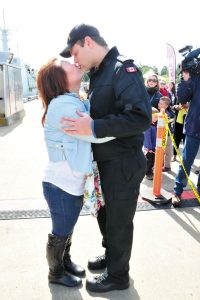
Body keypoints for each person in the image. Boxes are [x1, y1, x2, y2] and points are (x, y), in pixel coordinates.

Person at [59, 23, 151, 293]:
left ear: (88, 41)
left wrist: (95, 127)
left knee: (119, 220)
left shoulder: (124, 69)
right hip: (107, 162)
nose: (75, 60)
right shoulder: (100, 73)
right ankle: (112, 257)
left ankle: (118, 275)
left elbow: (140, 118)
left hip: (123, 161)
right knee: (107, 215)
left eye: (75, 53)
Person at [36, 58, 115, 287]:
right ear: (58, 79)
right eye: (67, 64)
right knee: (60, 231)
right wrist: (124, 129)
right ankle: (56, 272)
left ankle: (65, 261)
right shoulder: (62, 105)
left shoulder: (72, 100)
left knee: (68, 227)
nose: (75, 63)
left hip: (68, 182)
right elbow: (93, 133)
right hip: (60, 184)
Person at [172, 69, 200, 206]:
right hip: (194, 128)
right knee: (186, 162)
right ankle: (177, 192)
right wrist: (186, 79)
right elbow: (182, 98)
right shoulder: (195, 79)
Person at [157, 96, 175, 172]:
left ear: (166, 106)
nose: (159, 104)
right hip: (159, 134)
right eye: (159, 102)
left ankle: (167, 166)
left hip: (167, 135)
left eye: (161, 103)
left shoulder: (168, 113)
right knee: (159, 151)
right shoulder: (158, 111)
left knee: (167, 151)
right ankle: (159, 164)